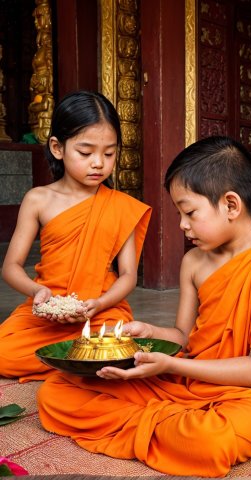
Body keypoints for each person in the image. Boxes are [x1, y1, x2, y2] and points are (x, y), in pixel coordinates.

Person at [36, 136, 251, 477]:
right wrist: (149, 332)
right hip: (185, 381)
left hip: (249, 396)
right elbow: (182, 335)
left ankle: (161, 425)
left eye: (190, 212)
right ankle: (168, 426)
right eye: (180, 213)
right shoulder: (194, 262)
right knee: (55, 392)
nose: (182, 224)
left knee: (210, 441)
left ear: (231, 205)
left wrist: (170, 367)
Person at [0, 91, 151, 381]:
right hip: (47, 312)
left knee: (117, 347)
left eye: (109, 153)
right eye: (86, 153)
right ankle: (76, 363)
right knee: (4, 354)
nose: (99, 163)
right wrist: (38, 294)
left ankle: (69, 360)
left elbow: (129, 275)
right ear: (57, 147)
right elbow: (11, 267)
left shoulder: (120, 205)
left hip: (101, 312)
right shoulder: (38, 199)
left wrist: (100, 304)